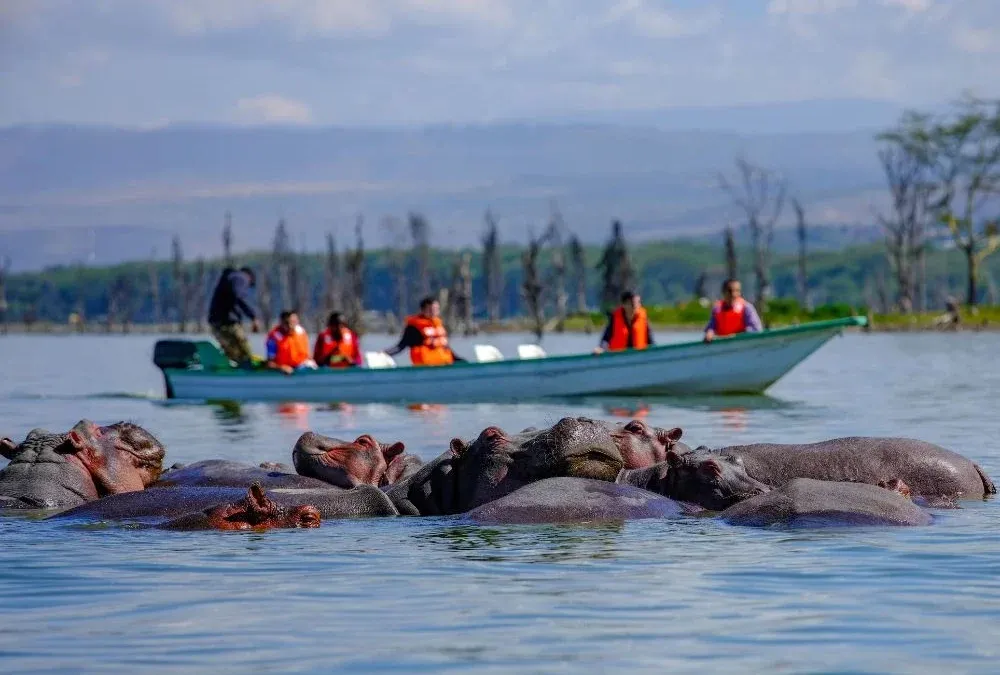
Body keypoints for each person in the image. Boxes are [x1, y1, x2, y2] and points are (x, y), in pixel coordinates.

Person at [385, 296, 465, 366]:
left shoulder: (438, 324)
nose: (434, 312)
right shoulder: (413, 327)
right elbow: (401, 346)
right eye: (430, 309)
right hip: (426, 365)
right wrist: (385, 354)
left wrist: (460, 361)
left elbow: (445, 347)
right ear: (423, 310)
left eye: (436, 309)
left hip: (444, 363)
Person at [207, 266, 260, 367]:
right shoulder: (241, 277)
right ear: (250, 278)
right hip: (228, 323)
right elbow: (239, 297)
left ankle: (236, 373)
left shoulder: (229, 277)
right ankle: (248, 374)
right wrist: (253, 317)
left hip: (216, 323)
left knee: (232, 354)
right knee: (244, 353)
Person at [265, 310, 316, 374]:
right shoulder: (274, 337)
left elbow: (308, 355)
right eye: (287, 323)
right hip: (284, 370)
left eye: (294, 322)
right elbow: (270, 363)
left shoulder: (301, 332)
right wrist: (281, 367)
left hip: (302, 367)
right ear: (282, 323)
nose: (291, 326)